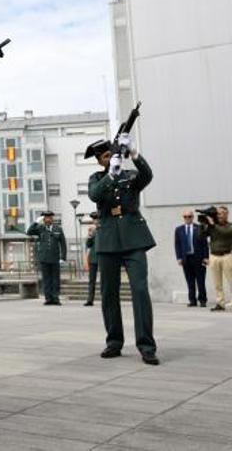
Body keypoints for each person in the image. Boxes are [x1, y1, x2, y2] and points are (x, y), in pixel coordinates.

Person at [86, 136, 159, 365]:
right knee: (109, 293)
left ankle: (146, 346)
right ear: (100, 161)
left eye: (112, 154)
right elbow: (95, 196)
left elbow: (147, 176)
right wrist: (111, 174)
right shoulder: (97, 178)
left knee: (139, 290)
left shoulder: (130, 177)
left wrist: (134, 154)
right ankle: (114, 342)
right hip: (108, 240)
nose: (110, 159)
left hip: (133, 238)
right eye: (106, 157)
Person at [26, 211, 67, 306]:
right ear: (44, 219)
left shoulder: (58, 229)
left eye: (50, 217)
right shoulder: (40, 228)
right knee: (46, 279)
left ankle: (55, 298)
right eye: (46, 218)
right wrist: (36, 222)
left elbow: (63, 244)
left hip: (55, 258)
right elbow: (29, 232)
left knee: (55, 279)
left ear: (52, 219)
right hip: (44, 258)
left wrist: (63, 257)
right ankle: (48, 298)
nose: (48, 219)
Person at [200, 206, 232, 311]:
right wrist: (203, 224)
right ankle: (220, 303)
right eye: (218, 213)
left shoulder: (229, 226)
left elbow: (224, 233)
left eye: (221, 213)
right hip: (214, 256)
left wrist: (212, 224)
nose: (219, 215)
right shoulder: (212, 226)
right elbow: (201, 236)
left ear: (227, 214)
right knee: (217, 283)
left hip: (227, 256)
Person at [175, 210, 209, 307]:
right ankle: (192, 300)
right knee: (190, 281)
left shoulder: (199, 228)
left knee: (201, 280)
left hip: (198, 258)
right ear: (183, 217)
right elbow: (177, 245)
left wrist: (206, 257)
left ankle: (202, 300)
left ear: (192, 217)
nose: (187, 218)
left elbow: (205, 244)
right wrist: (179, 257)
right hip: (186, 258)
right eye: (185, 216)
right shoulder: (179, 230)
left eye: (189, 216)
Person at [84, 213, 99, 306]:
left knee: (105, 280)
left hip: (103, 257)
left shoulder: (105, 228)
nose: (95, 221)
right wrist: (90, 236)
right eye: (94, 220)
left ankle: (106, 299)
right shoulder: (92, 231)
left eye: (96, 219)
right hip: (93, 258)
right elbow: (88, 245)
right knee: (91, 280)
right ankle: (90, 300)